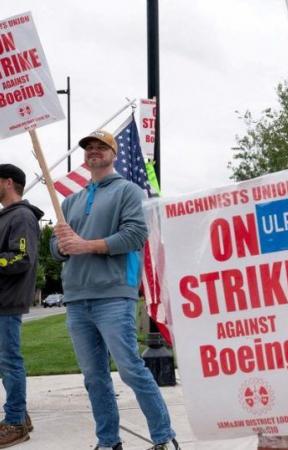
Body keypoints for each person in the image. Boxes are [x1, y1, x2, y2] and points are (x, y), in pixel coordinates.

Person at [50, 130, 179, 450]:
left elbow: (135, 235)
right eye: (89, 148)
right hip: (77, 298)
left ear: (114, 153)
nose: (94, 152)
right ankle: (108, 441)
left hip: (113, 295)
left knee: (131, 370)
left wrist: (84, 244)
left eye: (101, 147)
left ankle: (164, 437)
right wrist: (63, 245)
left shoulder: (129, 191)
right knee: (94, 379)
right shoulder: (70, 200)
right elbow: (57, 247)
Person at [0, 164, 42, 448]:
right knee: (5, 362)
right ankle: (20, 416)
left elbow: (22, 258)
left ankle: (15, 422)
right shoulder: (7, 217)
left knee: (9, 361)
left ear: (8, 182)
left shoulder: (23, 216)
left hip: (7, 301)